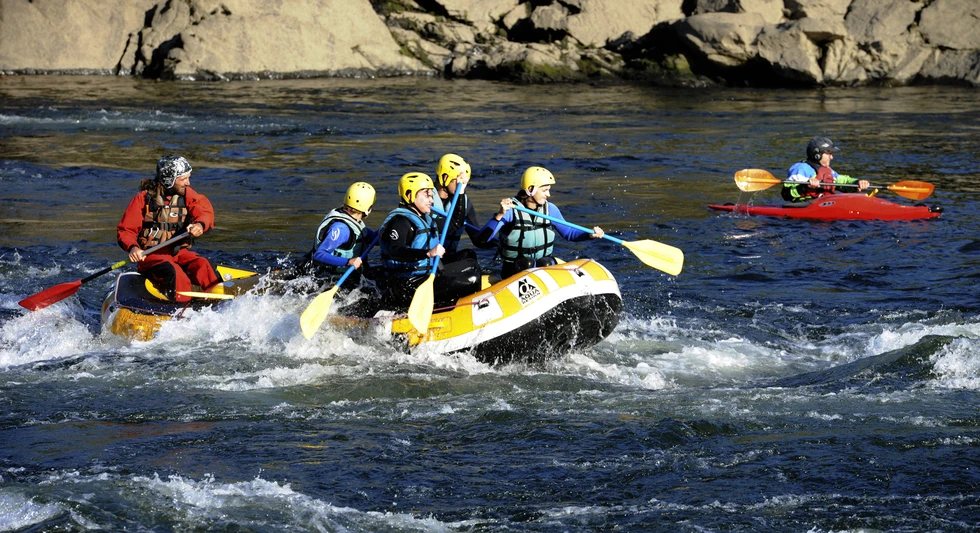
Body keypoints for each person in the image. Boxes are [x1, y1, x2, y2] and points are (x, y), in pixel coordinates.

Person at [116, 155, 219, 302]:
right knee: (175, 272)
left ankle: (219, 303)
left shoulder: (188, 195)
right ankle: (180, 307)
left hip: (179, 253)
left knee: (202, 264)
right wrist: (133, 248)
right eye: (183, 179)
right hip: (151, 256)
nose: (188, 183)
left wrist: (200, 225)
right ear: (168, 179)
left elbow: (204, 211)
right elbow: (126, 230)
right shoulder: (143, 199)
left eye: (188, 178)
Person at [378, 172, 481, 309]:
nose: (431, 200)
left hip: (426, 276)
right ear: (410, 195)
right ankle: (456, 309)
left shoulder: (426, 219)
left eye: (431, 195)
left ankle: (456, 305)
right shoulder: (400, 222)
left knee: (471, 263)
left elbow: (454, 224)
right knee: (471, 279)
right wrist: (428, 253)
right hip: (406, 286)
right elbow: (394, 251)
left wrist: (460, 191)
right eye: (426, 195)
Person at [481, 166, 604, 279]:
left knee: (545, 262)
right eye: (544, 190)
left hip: (542, 265)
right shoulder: (510, 210)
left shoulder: (550, 209)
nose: (548, 195)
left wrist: (589, 234)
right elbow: (483, 240)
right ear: (530, 190)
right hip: (515, 269)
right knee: (527, 263)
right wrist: (500, 214)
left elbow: (569, 233)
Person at [301, 181, 378, 287]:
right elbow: (319, 255)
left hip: (347, 277)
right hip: (329, 280)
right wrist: (348, 261)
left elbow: (374, 238)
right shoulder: (342, 230)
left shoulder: (355, 223)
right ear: (368, 209)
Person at [432, 153, 495, 262]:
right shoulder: (424, 200)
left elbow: (478, 240)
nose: (464, 186)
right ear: (445, 177)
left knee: (469, 255)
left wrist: (500, 239)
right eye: (460, 181)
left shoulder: (465, 203)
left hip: (447, 258)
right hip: (427, 259)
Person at [783, 137, 871, 203]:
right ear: (817, 155)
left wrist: (857, 183)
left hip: (825, 205)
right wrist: (805, 186)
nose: (831, 157)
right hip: (804, 208)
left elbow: (843, 181)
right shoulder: (800, 168)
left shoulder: (828, 171)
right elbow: (786, 194)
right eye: (828, 154)